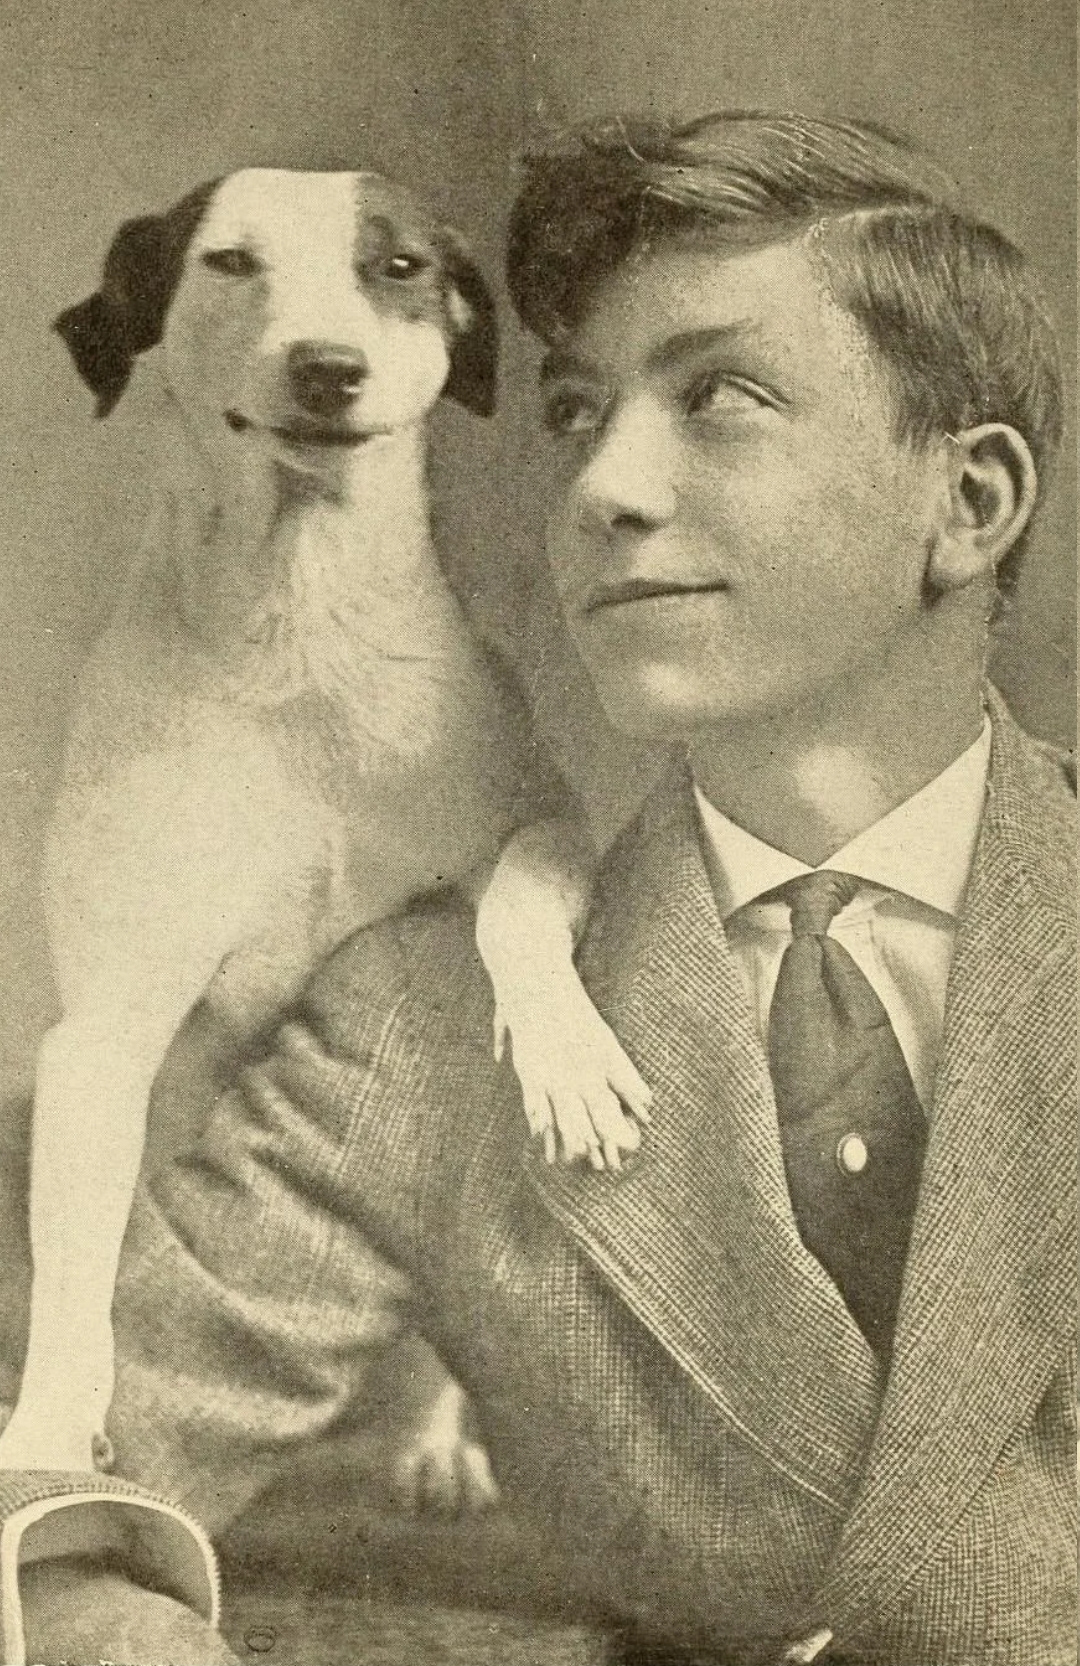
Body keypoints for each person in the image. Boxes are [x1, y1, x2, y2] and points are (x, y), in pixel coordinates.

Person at [2, 112, 1074, 1666]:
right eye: (577, 412)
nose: (600, 489)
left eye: (721, 398)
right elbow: (52, 1509)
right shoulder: (412, 1031)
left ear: (967, 505)